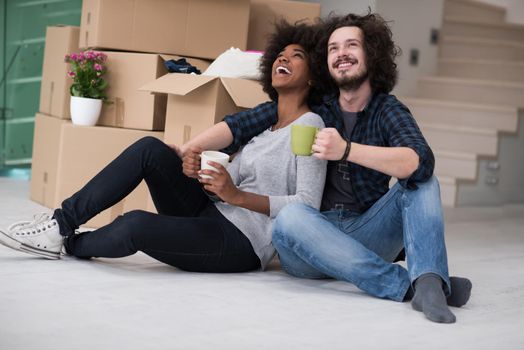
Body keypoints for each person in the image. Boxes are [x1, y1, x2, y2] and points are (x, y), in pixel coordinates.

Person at [182, 13, 472, 324]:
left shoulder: (387, 110)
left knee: (423, 183)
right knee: (290, 217)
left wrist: (346, 150)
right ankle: (409, 285)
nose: (341, 53)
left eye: (351, 45)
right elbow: (241, 125)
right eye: (333, 48)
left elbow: (420, 162)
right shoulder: (316, 109)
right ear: (326, 61)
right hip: (308, 239)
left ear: (371, 54)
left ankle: (427, 281)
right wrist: (188, 148)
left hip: (367, 229)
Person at [0, 21, 327, 273]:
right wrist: (202, 175)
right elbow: (224, 189)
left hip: (241, 244)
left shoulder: (310, 126)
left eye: (296, 56)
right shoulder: (265, 130)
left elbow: (307, 206)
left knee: (135, 224)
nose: (283, 58)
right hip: (213, 213)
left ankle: (67, 243)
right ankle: (60, 223)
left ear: (313, 77)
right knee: (151, 149)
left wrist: (236, 196)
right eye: (281, 54)